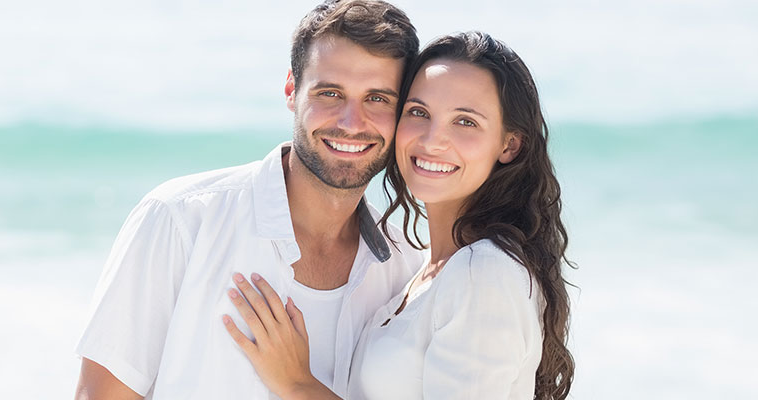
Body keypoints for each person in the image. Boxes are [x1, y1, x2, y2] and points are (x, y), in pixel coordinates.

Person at [73, 1, 425, 399]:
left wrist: (298, 385)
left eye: (377, 99)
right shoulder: (180, 220)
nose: (351, 122)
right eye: (330, 93)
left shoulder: (408, 272)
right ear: (292, 90)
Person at [223, 31, 576, 399]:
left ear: (509, 144)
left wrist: (298, 384)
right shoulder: (421, 271)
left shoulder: (483, 271)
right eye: (418, 113)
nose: (432, 139)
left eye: (465, 121)